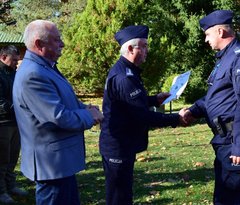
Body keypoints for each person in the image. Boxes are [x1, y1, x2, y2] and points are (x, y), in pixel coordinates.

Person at [12, 20, 104, 205]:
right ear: (39, 44)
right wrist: (90, 116)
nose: (62, 44)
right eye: (56, 40)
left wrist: (84, 107)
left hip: (59, 163)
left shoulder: (44, 68)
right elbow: (57, 117)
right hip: (52, 166)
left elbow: (63, 98)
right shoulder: (33, 75)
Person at [180, 10, 240, 205]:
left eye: (207, 34)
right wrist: (193, 111)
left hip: (234, 142)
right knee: (222, 199)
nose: (205, 40)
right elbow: (215, 96)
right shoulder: (224, 60)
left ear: (220, 32)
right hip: (224, 140)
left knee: (230, 200)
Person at [100, 25, 185, 204]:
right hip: (118, 145)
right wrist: (177, 118)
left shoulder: (128, 71)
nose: (147, 50)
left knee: (123, 194)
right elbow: (142, 116)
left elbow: (130, 103)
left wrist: (155, 99)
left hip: (123, 143)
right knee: (118, 198)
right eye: (144, 46)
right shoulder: (124, 77)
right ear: (130, 49)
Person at [0, 45, 28, 204]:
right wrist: (18, 108)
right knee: (2, 159)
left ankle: (10, 186)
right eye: (14, 60)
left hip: (15, 121)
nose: (17, 63)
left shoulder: (13, 74)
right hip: (3, 123)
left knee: (12, 157)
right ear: (3, 57)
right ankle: (1, 192)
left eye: (18, 60)